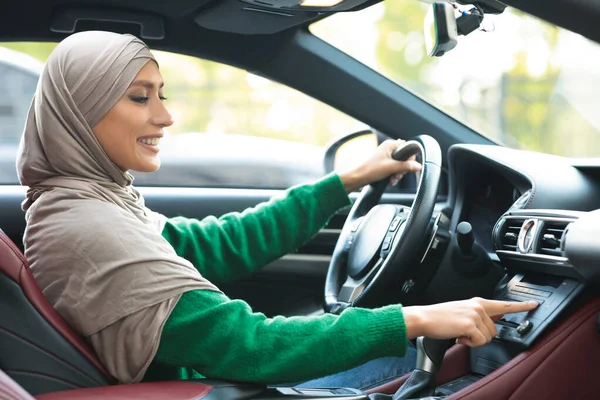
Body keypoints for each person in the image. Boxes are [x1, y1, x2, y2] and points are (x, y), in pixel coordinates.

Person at [16, 31, 537, 390]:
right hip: (216, 389)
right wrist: (415, 319)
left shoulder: (90, 201)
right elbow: (249, 346)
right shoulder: (88, 226)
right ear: (81, 112)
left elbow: (215, 246)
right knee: (429, 353)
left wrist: (344, 182)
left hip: (217, 382)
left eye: (162, 95)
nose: (165, 115)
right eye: (138, 97)